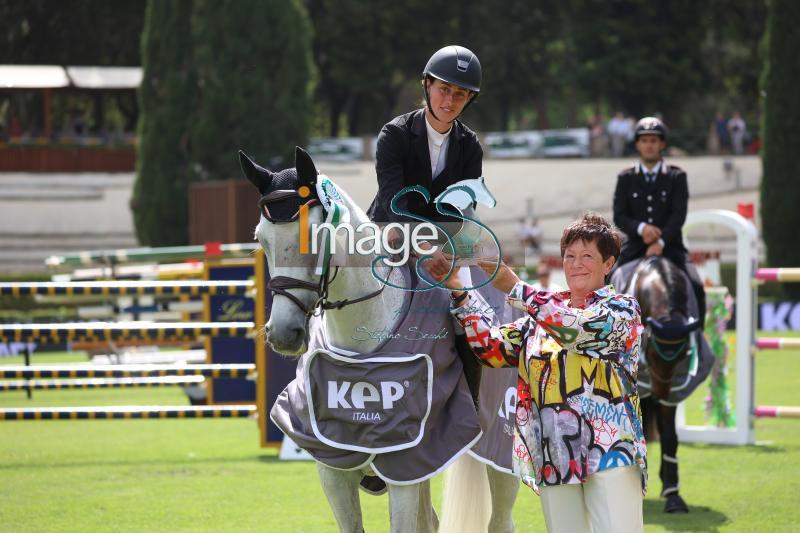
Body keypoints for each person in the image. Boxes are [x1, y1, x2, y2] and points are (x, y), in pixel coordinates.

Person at [427, 213, 646, 533]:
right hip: (555, 454)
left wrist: (516, 288)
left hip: (611, 452)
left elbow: (576, 329)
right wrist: (461, 291)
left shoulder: (622, 309)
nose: (576, 264)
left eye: (588, 256)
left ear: (608, 264)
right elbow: (491, 349)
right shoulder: (539, 316)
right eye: (570, 256)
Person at [612, 116, 706, 325]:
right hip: (635, 246)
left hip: (671, 247)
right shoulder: (625, 178)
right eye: (644, 140)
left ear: (662, 144)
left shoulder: (677, 177)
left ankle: (698, 340)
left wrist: (660, 242)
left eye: (654, 141)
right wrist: (641, 228)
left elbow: (678, 215)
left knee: (697, 286)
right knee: (606, 282)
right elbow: (619, 216)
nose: (649, 145)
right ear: (637, 144)